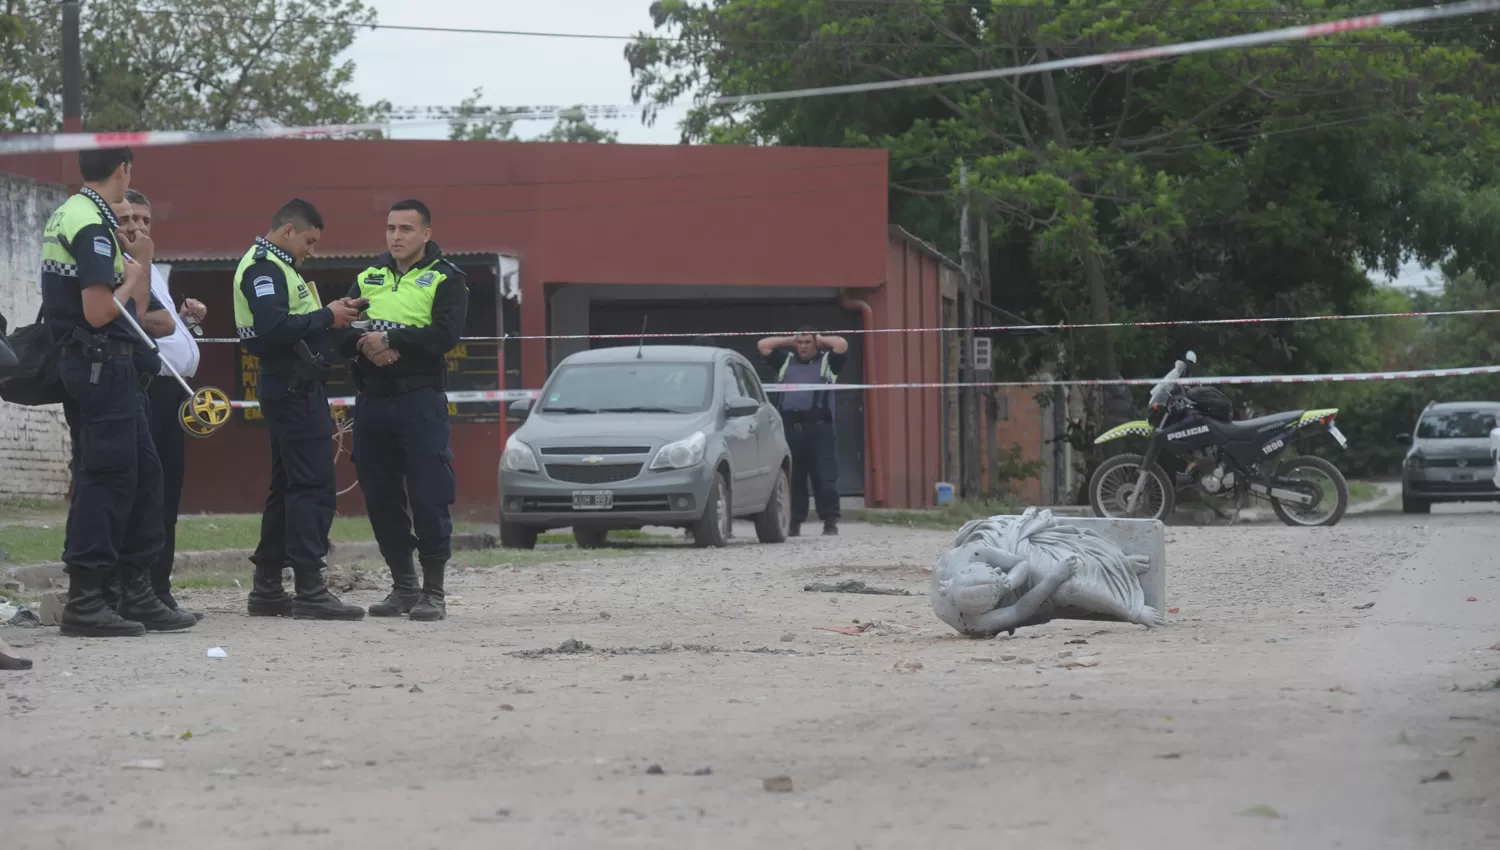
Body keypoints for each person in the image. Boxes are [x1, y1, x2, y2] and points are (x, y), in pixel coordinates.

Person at [40, 148, 196, 637]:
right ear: (124, 169)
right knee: (107, 479)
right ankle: (88, 598)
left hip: (116, 369)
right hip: (98, 364)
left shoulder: (81, 214)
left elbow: (129, 309)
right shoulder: (89, 224)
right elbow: (101, 311)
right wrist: (132, 275)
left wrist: (140, 263)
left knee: (144, 476)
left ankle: (135, 590)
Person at [233, 198, 365, 620]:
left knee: (288, 487)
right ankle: (310, 588)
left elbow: (301, 324)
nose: (313, 249)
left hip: (297, 384)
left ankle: (268, 586)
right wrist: (327, 316)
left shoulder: (283, 268)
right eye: (310, 240)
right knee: (313, 485)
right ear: (288, 231)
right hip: (290, 385)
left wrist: (337, 319)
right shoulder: (264, 268)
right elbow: (273, 330)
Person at [340, 200, 468, 622]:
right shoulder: (367, 276)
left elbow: (445, 334)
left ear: (426, 234)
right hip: (373, 399)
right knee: (379, 496)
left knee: (430, 494)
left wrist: (394, 343)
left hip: (420, 400)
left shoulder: (447, 277)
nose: (396, 236)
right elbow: (342, 328)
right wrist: (363, 345)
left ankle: (434, 591)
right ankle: (403, 586)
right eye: (391, 228)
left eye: (406, 229)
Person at [124, 189, 208, 620]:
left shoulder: (153, 268)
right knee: (147, 492)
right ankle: (138, 589)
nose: (137, 228)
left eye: (144, 219)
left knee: (168, 490)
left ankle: (160, 586)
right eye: (128, 220)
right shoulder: (120, 266)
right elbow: (138, 323)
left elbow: (164, 324)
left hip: (175, 394)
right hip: (146, 389)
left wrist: (186, 320)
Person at [756, 326, 849, 536]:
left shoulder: (828, 362)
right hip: (791, 428)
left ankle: (830, 521)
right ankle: (794, 523)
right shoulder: (785, 361)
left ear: (815, 343)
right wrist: (791, 339)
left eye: (807, 343)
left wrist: (820, 339)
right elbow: (763, 345)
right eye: (800, 343)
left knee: (825, 477)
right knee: (793, 478)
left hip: (820, 428)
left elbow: (841, 344)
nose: (803, 347)